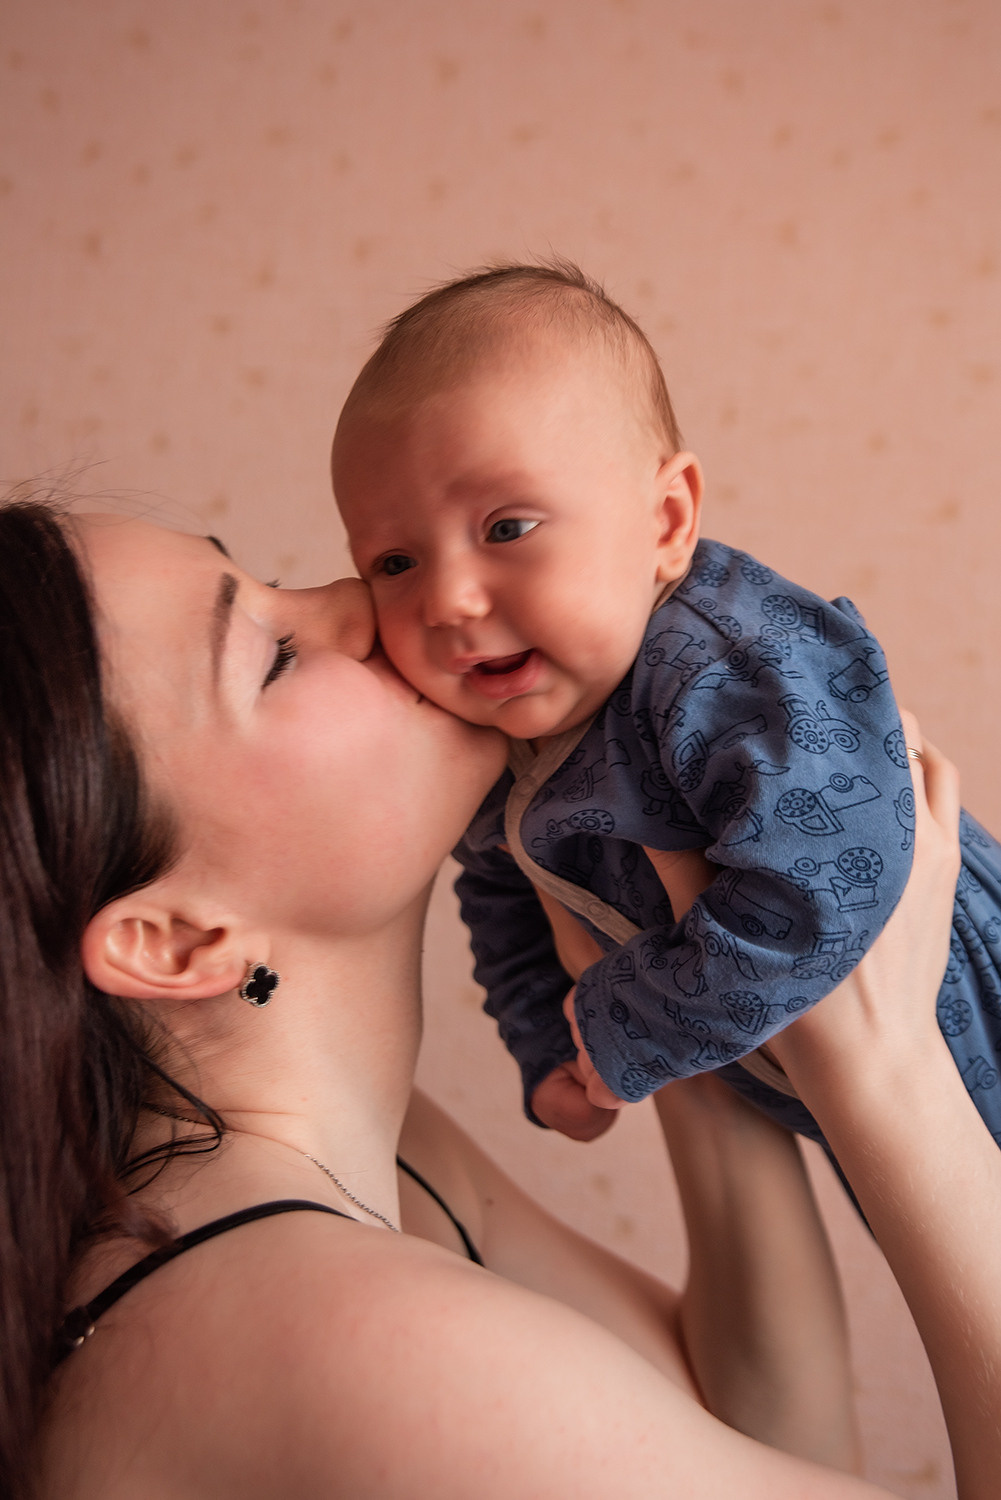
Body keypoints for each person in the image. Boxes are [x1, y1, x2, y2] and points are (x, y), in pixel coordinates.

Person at [2, 499, 999, 1500]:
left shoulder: (362, 1170)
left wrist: (682, 999)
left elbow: (773, 1435)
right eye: (271, 654)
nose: (356, 602)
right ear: (175, 942)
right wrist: (885, 1073)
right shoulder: (348, 1343)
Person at [331, 260, 1001, 1152]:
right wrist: (550, 1052)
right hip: (849, 1108)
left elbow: (824, 880)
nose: (447, 599)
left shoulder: (719, 664)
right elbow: (505, 902)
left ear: (666, 522)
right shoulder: (497, 742)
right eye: (395, 563)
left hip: (969, 1023)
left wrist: (627, 1024)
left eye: (505, 529)